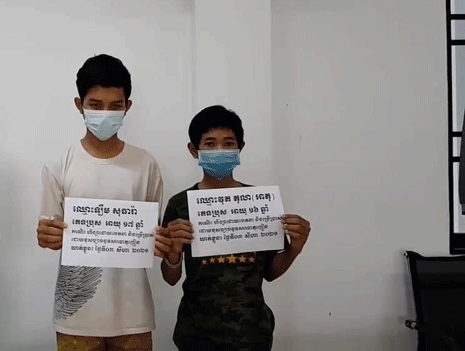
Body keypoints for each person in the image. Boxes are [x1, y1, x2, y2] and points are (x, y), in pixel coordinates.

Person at [36, 54, 169, 351]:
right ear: (79, 105)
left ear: (127, 106)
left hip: (133, 314)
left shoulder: (145, 164)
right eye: (95, 105)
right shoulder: (59, 165)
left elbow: (155, 235)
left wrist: (162, 242)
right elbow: (48, 233)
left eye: (115, 105)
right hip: (76, 317)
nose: (105, 114)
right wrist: (47, 236)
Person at [160, 105, 311, 351]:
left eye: (228, 143)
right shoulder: (180, 204)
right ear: (194, 150)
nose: (220, 150)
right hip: (196, 333)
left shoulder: (260, 202)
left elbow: (270, 272)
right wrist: (174, 253)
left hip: (252, 332)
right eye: (210, 144)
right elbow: (170, 278)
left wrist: (295, 248)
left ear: (240, 147)